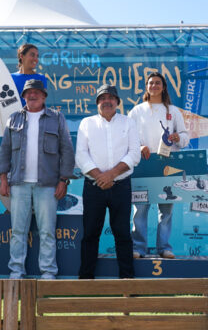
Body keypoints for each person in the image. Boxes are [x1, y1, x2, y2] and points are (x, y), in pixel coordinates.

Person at [0, 79, 74, 280]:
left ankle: (48, 272)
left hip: (47, 185)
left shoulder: (57, 118)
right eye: (29, 92)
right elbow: (4, 151)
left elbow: (67, 150)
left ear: (44, 96)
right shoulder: (13, 119)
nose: (32, 95)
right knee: (18, 231)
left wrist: (63, 180)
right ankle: (16, 271)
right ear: (23, 96)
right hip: (19, 185)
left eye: (37, 92)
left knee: (47, 231)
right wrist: (3, 179)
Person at [75, 84, 141, 279]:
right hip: (93, 187)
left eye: (111, 98)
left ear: (117, 102)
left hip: (120, 186)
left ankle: (127, 282)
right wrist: (100, 177)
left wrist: (110, 175)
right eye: (102, 98)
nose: (107, 101)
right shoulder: (86, 123)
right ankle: (86, 280)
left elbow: (134, 154)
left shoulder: (128, 123)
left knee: (122, 234)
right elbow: (81, 155)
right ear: (97, 103)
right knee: (90, 234)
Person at [128, 72, 189, 259]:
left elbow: (185, 138)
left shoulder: (173, 110)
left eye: (158, 83)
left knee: (166, 209)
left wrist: (179, 138)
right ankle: (138, 248)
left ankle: (164, 247)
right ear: (146, 87)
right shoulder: (137, 111)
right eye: (150, 83)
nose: (154, 85)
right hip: (143, 165)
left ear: (163, 87)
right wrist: (139, 147)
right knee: (140, 209)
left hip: (167, 166)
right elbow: (126, 137)